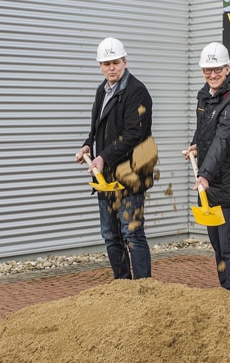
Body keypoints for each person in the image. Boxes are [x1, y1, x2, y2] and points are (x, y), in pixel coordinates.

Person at [75, 37, 153, 280]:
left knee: (132, 233)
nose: (111, 68)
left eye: (115, 63)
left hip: (131, 173)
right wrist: (88, 145)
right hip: (106, 176)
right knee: (110, 234)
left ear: (124, 62)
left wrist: (102, 157)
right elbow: (97, 129)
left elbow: (134, 134)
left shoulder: (137, 92)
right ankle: (122, 284)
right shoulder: (102, 90)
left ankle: (143, 287)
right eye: (106, 64)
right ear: (100, 65)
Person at [184, 42, 230, 291]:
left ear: (227, 69)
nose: (212, 75)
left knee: (228, 243)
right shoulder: (205, 95)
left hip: (228, 181)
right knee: (216, 243)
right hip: (209, 182)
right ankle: (225, 289)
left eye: (217, 70)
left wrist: (204, 174)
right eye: (207, 70)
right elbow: (205, 130)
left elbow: (224, 138)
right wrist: (196, 145)